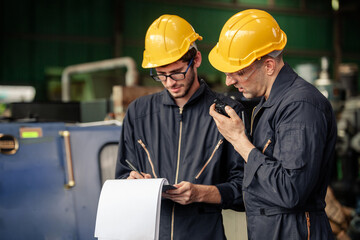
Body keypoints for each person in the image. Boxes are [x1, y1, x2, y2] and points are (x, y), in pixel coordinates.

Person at [208, 9, 337, 240]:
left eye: (238, 71)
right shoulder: (268, 103)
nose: (228, 80)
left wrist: (239, 140)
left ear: (268, 66)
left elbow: (290, 191)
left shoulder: (301, 106)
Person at [115, 14, 245, 240]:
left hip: (205, 234)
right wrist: (131, 183)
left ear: (196, 60)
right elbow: (123, 175)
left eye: (176, 72)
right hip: (152, 233)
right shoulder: (139, 113)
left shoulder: (227, 112)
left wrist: (202, 194)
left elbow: (246, 189)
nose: (169, 82)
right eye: (161, 75)